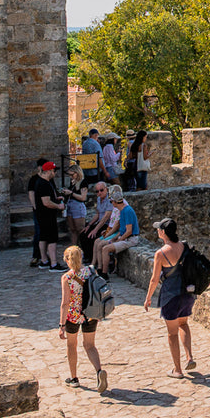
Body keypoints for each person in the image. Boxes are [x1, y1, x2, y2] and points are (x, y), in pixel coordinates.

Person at [144, 217, 196, 378]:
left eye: (159, 228)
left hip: (171, 296)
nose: (157, 231)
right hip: (187, 294)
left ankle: (178, 370)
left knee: (172, 333)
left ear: (163, 232)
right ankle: (189, 357)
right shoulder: (184, 246)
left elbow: (154, 279)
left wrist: (148, 298)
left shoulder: (161, 253)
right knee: (184, 324)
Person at [58, 245, 108, 392]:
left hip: (73, 316)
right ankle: (99, 371)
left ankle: (74, 378)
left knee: (72, 346)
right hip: (90, 314)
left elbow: (65, 302)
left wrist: (61, 325)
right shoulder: (91, 271)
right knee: (90, 345)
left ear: (67, 260)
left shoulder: (67, 277)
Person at [92, 185, 140, 276]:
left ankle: (104, 273)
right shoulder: (122, 210)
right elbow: (122, 229)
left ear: (115, 202)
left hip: (130, 239)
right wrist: (114, 239)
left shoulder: (127, 211)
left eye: (111, 201)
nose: (111, 203)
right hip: (124, 238)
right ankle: (101, 269)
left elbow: (129, 231)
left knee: (105, 249)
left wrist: (119, 240)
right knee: (104, 245)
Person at [30, 161, 67, 271]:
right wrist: (58, 206)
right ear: (49, 171)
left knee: (43, 237)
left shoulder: (42, 182)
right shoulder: (44, 184)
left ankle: (44, 260)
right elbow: (46, 202)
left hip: (42, 215)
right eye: (54, 171)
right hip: (47, 215)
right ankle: (54, 264)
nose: (55, 173)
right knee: (52, 239)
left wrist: (56, 199)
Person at [62, 164, 89, 249]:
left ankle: (83, 249)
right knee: (73, 230)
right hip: (70, 206)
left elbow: (83, 197)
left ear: (77, 173)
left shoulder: (83, 183)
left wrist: (71, 193)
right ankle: (74, 249)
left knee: (80, 229)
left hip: (78, 207)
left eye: (72, 174)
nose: (70, 176)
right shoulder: (73, 182)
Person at [26, 159, 47, 267]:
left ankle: (44, 255)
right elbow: (31, 194)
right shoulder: (34, 179)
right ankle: (36, 256)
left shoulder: (48, 178)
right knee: (38, 232)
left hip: (47, 210)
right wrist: (35, 207)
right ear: (39, 167)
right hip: (38, 210)